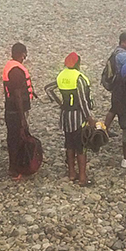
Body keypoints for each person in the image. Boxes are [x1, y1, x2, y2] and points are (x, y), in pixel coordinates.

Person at [46, 52, 94, 186]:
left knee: (69, 145)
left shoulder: (61, 76)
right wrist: (89, 118)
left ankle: (72, 173)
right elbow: (83, 101)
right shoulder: (79, 78)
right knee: (81, 146)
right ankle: (82, 177)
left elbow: (48, 89)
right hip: (77, 117)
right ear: (78, 63)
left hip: (65, 116)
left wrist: (59, 102)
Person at [3, 43, 35, 179]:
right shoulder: (16, 70)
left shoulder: (10, 66)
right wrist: (22, 117)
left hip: (11, 109)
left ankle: (15, 166)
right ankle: (14, 168)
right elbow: (16, 94)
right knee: (15, 139)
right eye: (25, 54)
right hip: (15, 112)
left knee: (14, 137)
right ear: (21, 54)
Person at [102, 31, 126, 136]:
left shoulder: (117, 51)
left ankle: (105, 129)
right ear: (123, 42)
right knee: (117, 108)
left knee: (114, 107)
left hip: (116, 85)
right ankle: (108, 130)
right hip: (120, 86)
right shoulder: (123, 55)